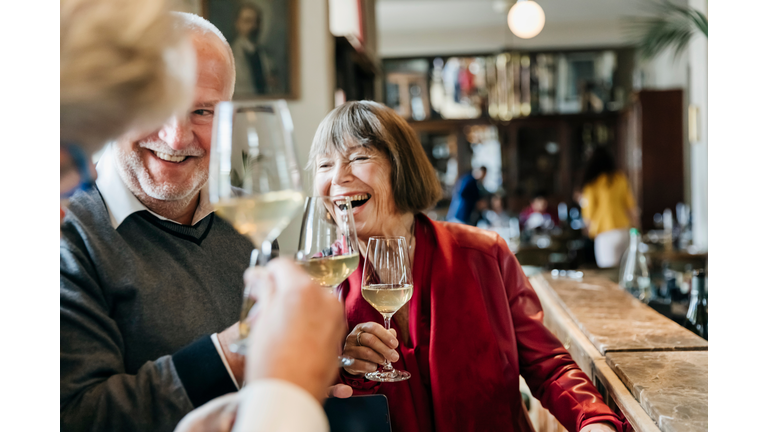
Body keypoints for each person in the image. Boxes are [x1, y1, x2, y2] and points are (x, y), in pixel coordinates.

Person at [61, 5, 344, 431]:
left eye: (203, 111)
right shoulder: (66, 232)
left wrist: (313, 375)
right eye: (157, 106)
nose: (176, 137)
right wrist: (235, 351)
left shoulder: (247, 220)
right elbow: (77, 416)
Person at [307, 101, 626, 432]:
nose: (338, 177)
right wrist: (340, 367)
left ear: (401, 166)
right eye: (325, 164)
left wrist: (593, 421)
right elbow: (298, 397)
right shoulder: (318, 281)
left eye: (359, 157)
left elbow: (548, 366)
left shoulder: (484, 254)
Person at [579, 146, 640, 268]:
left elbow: (588, 216)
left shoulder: (592, 183)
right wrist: (638, 230)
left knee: (609, 274)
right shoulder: (620, 178)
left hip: (605, 233)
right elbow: (631, 209)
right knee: (626, 271)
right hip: (624, 231)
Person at [232, 2, 276, 95]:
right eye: (248, 21)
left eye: (257, 21)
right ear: (238, 24)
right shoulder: (230, 55)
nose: (253, 26)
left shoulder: (266, 56)